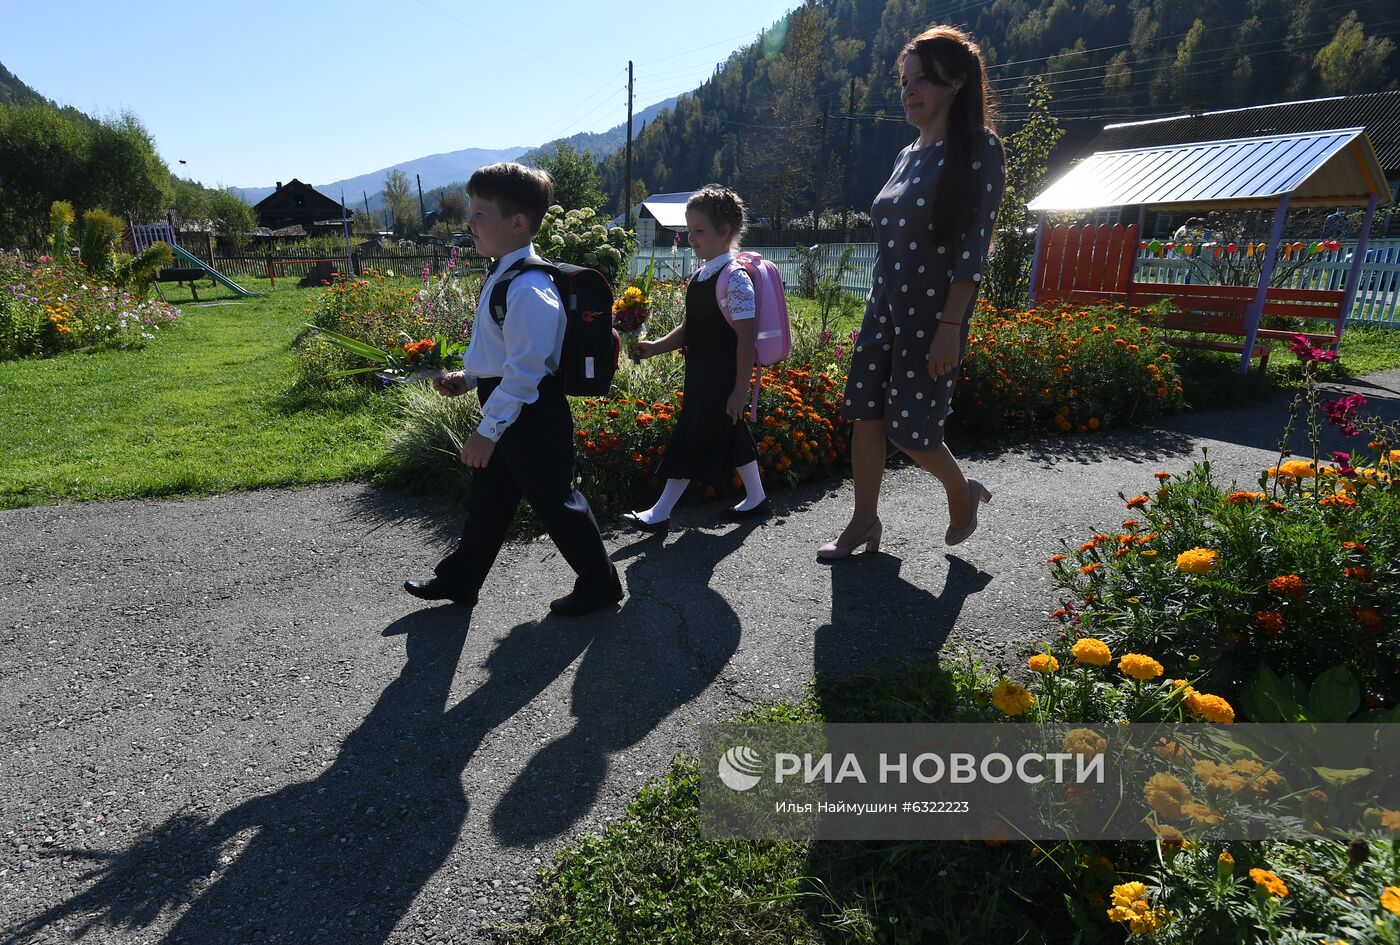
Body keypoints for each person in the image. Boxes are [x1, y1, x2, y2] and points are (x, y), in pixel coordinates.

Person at [819, 25, 1006, 560]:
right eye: (904, 82)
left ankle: (961, 492)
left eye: (921, 80)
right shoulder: (907, 155)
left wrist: (951, 326)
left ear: (958, 81)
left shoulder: (979, 149)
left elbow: (973, 248)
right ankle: (863, 524)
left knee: (911, 429)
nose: (909, 91)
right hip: (885, 307)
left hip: (934, 314)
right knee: (866, 415)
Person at [404, 162, 623, 616]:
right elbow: (499, 351)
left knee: (556, 502)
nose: (470, 223)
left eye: (481, 214)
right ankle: (461, 580)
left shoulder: (529, 288)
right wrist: (468, 378)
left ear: (517, 223)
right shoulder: (504, 275)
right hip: (509, 404)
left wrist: (488, 429)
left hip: (531, 412)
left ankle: (600, 584)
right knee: (488, 501)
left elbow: (526, 370)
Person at [622, 186, 767, 531]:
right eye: (688, 230)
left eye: (699, 231)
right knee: (730, 431)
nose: (690, 238)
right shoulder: (702, 276)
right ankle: (757, 498)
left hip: (721, 375)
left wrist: (738, 390)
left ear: (725, 232)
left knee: (692, 434)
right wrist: (654, 346)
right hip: (701, 371)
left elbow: (746, 338)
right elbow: (691, 328)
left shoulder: (735, 279)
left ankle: (660, 512)